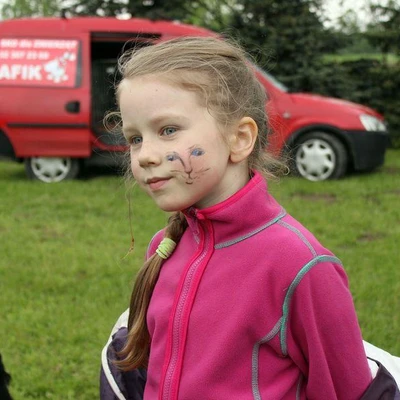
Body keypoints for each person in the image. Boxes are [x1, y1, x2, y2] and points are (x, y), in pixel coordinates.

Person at [100, 37, 399, 400]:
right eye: (134, 138)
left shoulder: (301, 266)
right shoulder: (165, 247)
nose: (145, 155)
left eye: (167, 130)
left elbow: (348, 391)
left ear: (240, 138)